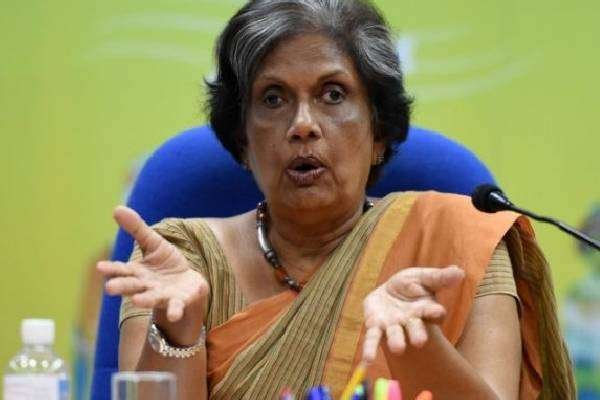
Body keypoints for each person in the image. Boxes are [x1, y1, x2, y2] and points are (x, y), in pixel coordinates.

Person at [96, 1, 575, 399]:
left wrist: (418, 346)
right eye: (273, 98)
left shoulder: (458, 244)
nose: (303, 124)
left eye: (333, 94)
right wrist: (177, 329)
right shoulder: (179, 260)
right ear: (242, 141)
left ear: (379, 132)